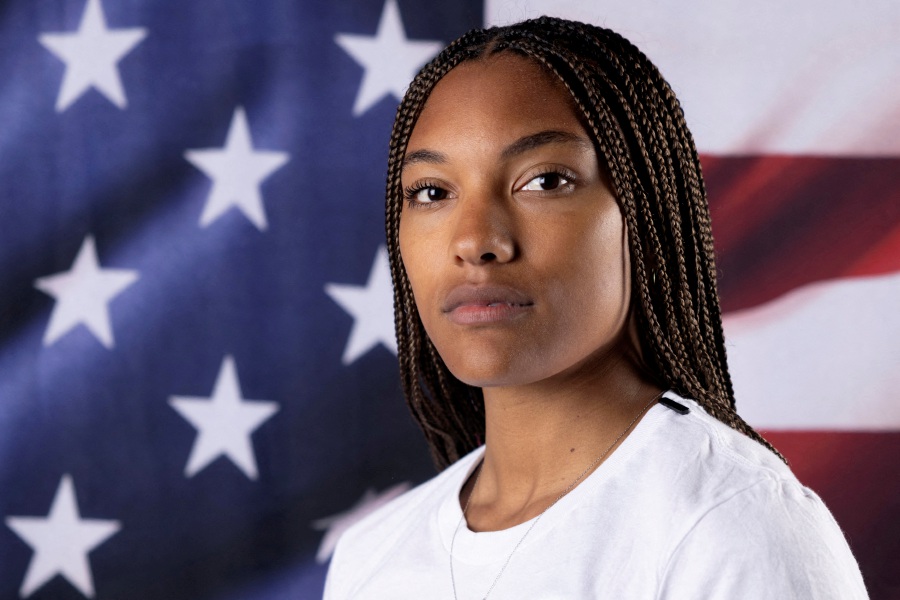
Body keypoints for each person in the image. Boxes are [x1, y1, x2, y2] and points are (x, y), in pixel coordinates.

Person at [324, 16, 868, 599]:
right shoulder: (373, 557)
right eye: (432, 192)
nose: (475, 240)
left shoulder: (730, 526)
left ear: (644, 216)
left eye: (545, 181)